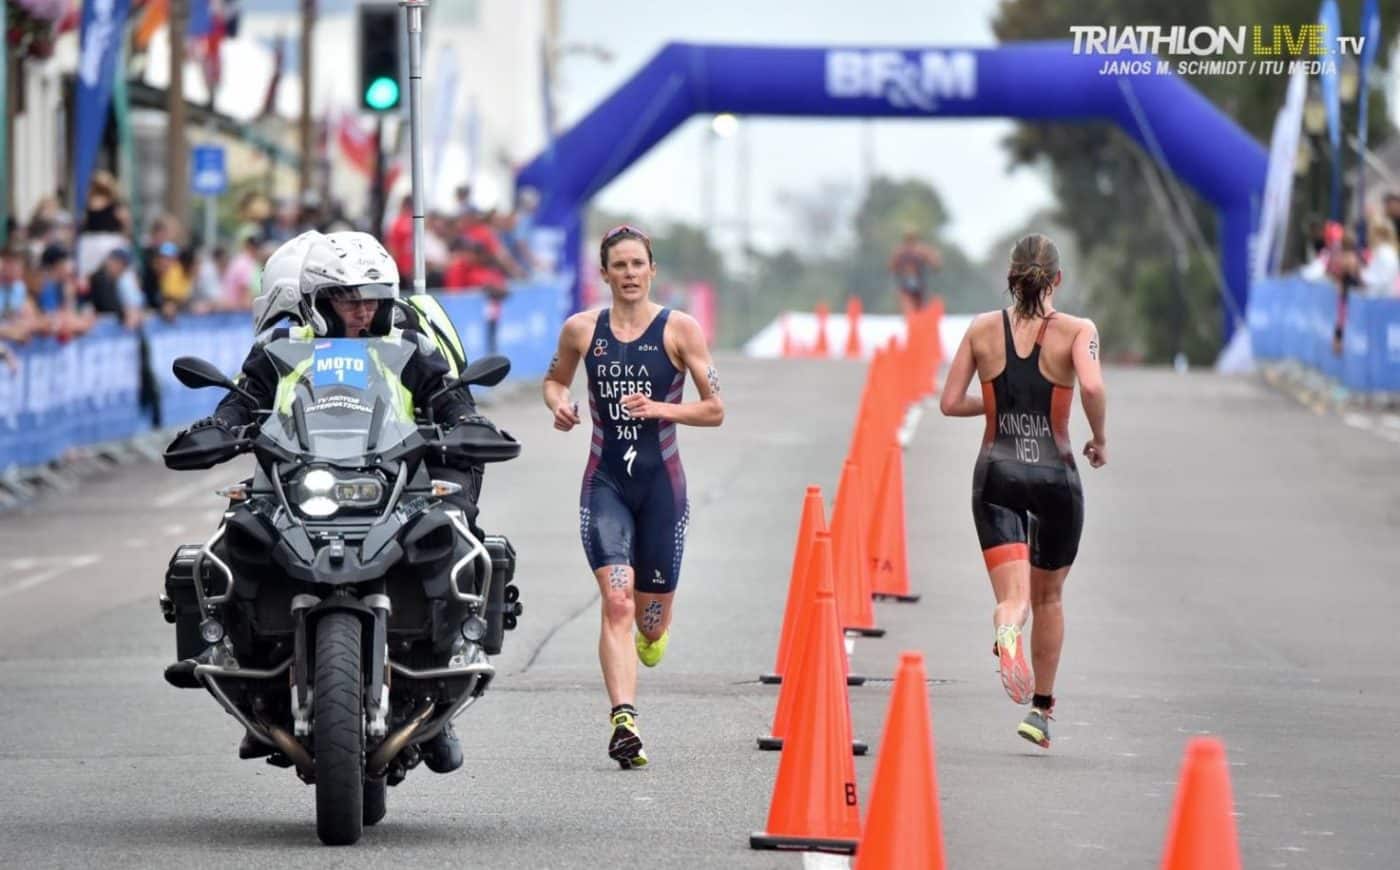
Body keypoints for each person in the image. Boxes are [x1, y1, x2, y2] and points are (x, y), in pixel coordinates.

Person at [184, 230, 491, 773]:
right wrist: (217, 426)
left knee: (459, 540)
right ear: (318, 302)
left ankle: (447, 690)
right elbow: (243, 399)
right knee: (228, 542)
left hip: (392, 472)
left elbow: (447, 395)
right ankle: (246, 675)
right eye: (348, 300)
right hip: (299, 473)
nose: (362, 310)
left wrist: (465, 421)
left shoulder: (409, 346)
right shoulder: (280, 349)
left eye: (371, 299)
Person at [542, 224, 724, 769]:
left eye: (637, 265)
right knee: (616, 600)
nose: (628, 274)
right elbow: (554, 381)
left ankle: (654, 632)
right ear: (604, 274)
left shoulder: (680, 330)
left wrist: (663, 409)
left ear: (651, 270)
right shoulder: (581, 330)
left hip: (661, 487)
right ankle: (624, 720)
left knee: (649, 622)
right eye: (618, 266)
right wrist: (560, 404)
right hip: (606, 484)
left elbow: (715, 408)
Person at [938, 233, 1106, 750]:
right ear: (1058, 279)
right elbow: (1094, 387)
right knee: (1049, 597)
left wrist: (999, 408)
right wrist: (1098, 437)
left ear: (1008, 278)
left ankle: (1006, 628)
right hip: (1054, 476)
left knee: (1014, 600)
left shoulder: (982, 330)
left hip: (997, 475)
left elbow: (949, 402)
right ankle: (1040, 711)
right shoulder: (1078, 331)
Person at [888, 229, 941, 316]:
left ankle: (915, 321)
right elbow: (891, 267)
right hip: (907, 283)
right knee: (909, 306)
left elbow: (935, 264)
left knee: (917, 307)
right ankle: (913, 320)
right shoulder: (903, 251)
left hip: (918, 283)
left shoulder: (917, 250)